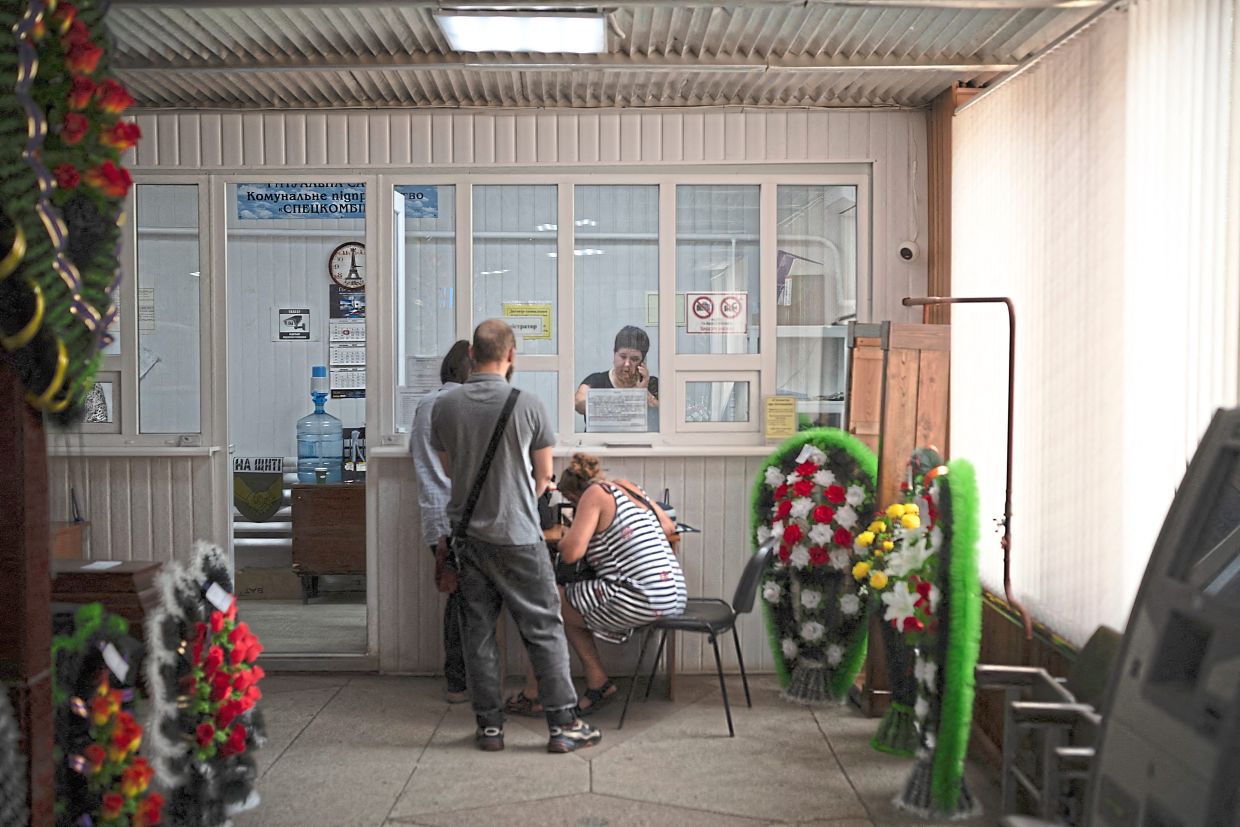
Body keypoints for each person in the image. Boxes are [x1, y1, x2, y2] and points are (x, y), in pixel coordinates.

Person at [430, 319, 602, 754]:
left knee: (480, 634)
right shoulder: (528, 404)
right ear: (511, 355)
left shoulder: (445, 406)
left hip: (469, 538)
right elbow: (545, 477)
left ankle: (489, 728)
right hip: (520, 536)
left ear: (471, 354)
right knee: (543, 628)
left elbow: (449, 470)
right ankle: (563, 725)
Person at [505, 452, 686, 717]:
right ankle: (598, 683)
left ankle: (534, 694)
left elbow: (570, 553)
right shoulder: (628, 487)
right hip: (673, 594)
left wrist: (573, 532)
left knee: (545, 602)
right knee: (569, 606)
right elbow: (669, 527)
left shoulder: (593, 495)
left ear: (574, 496)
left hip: (640, 596)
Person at [409, 340, 472, 704]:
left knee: (458, 596)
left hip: (434, 515)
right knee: (467, 600)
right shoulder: (460, 406)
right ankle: (459, 680)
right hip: (459, 516)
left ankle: (458, 681)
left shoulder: (424, 405)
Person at [574, 326, 659, 428]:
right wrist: (635, 397)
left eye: (634, 359)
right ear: (614, 355)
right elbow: (578, 403)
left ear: (642, 362)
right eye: (622, 357)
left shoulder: (651, 383)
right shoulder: (596, 381)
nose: (627, 364)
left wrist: (645, 394)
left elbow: (669, 416)